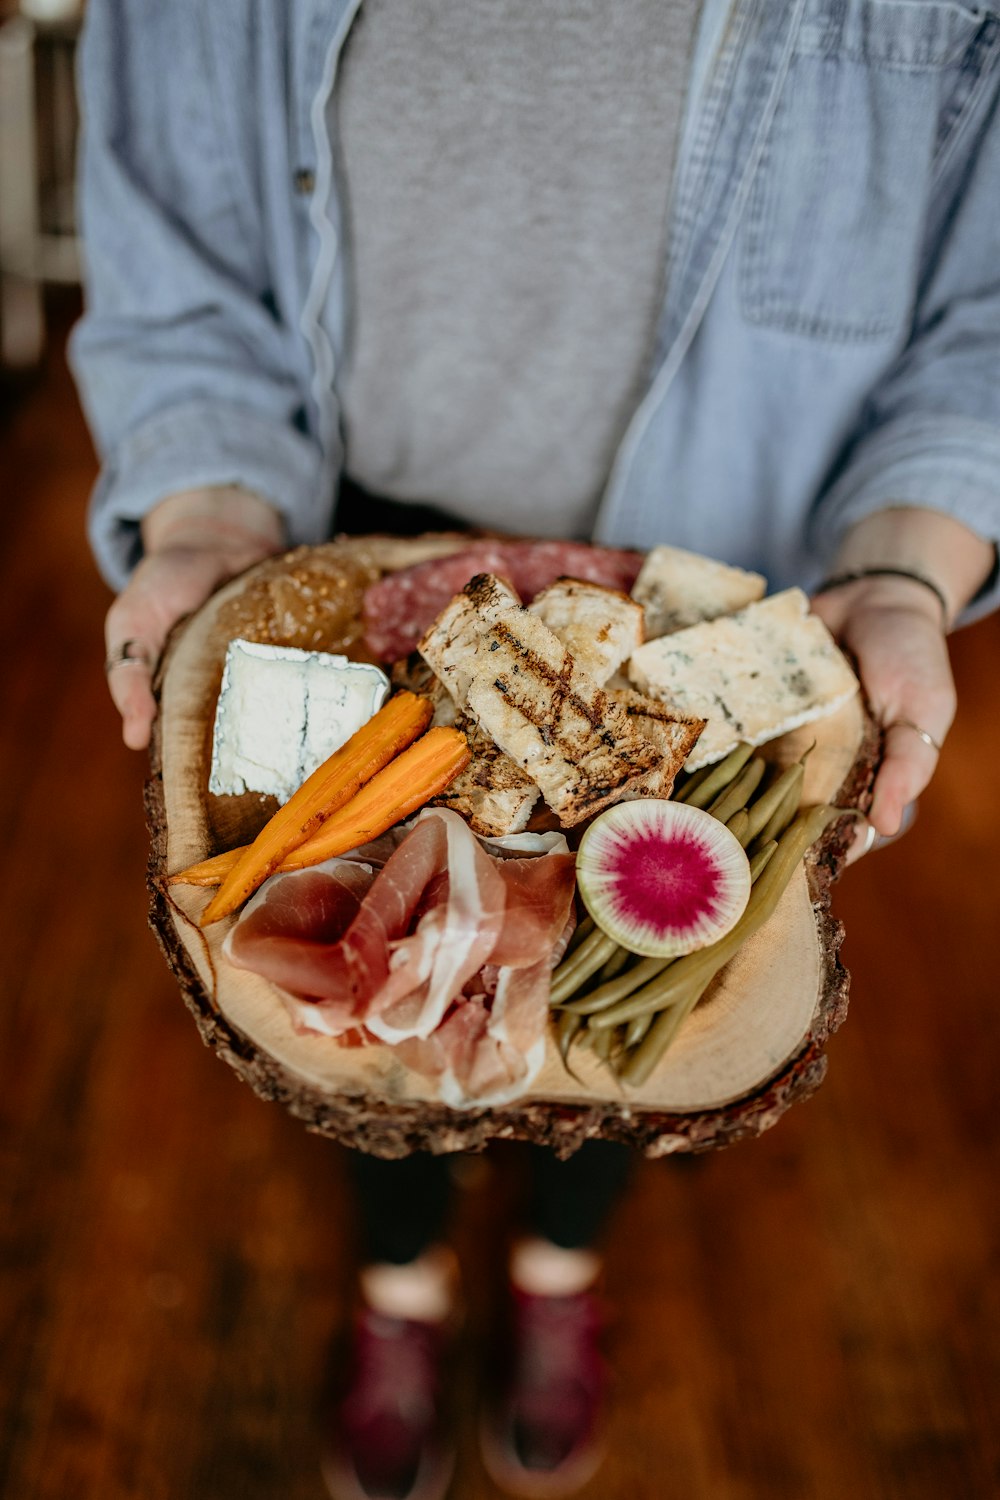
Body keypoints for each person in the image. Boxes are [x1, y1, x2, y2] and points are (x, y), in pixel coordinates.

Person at [72, 3, 1000, 1498]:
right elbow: (172, 239)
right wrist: (205, 512)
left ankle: (560, 1261)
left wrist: (901, 573)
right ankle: (402, 1285)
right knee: (358, 1010)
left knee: (633, 1007)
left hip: (722, 603)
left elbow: (989, 300)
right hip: (347, 552)